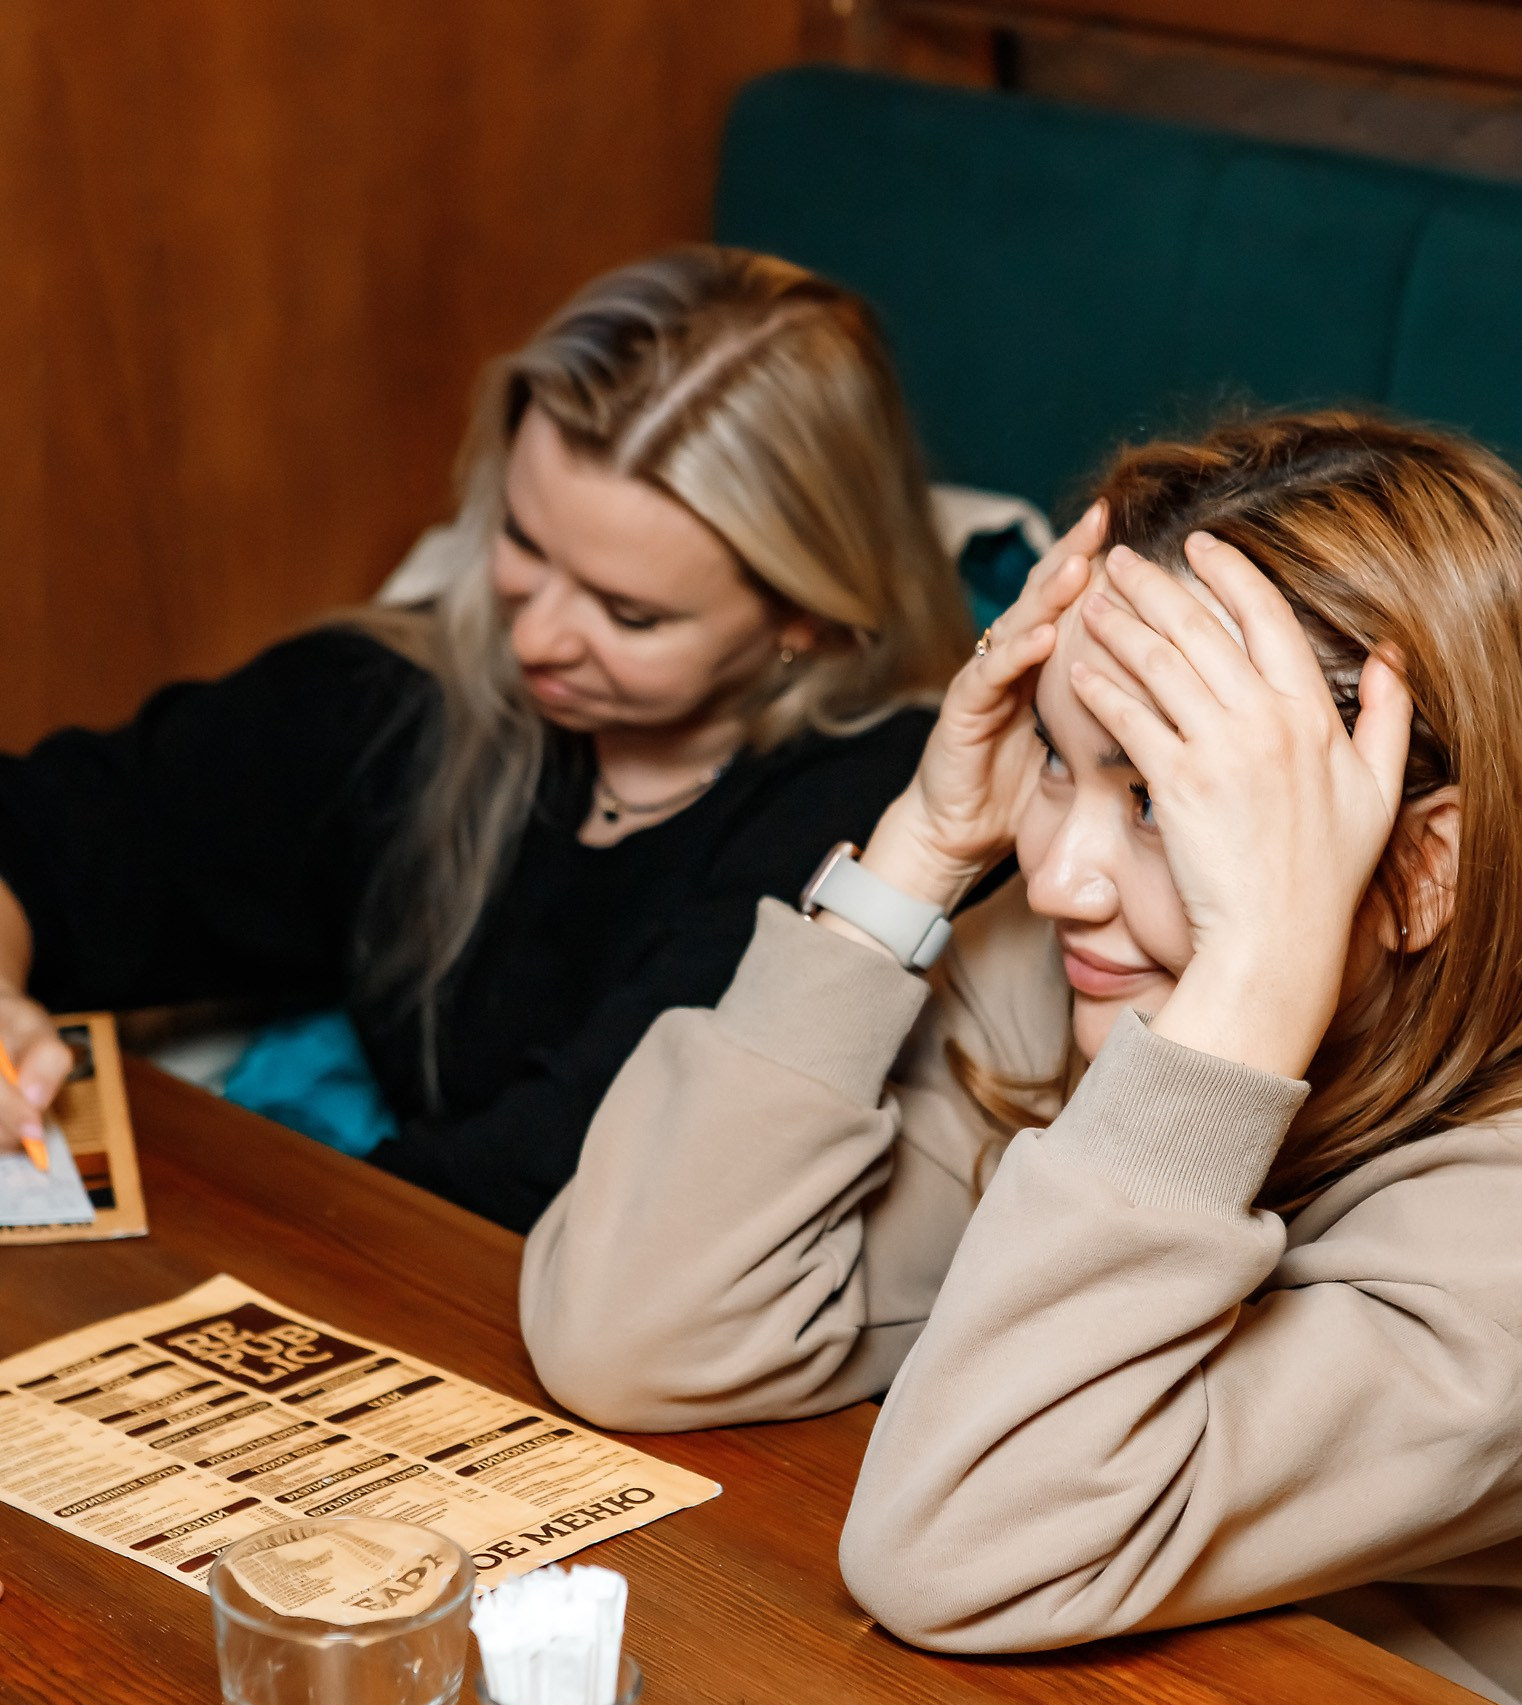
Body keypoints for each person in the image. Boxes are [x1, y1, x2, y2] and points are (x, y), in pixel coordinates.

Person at [523, 412, 1522, 1705]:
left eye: (1165, 802)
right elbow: (637, 1336)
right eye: (1056, 765)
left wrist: (1253, 981)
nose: (1056, 873)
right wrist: (917, 850)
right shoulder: (1086, 969)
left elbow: (959, 1549)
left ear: (1419, 865)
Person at [0, 248, 966, 1230]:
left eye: (628, 615)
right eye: (523, 542)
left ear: (806, 616)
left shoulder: (872, 820)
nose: (535, 638)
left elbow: (561, 1176)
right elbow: (56, 836)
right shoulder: (396, 691)